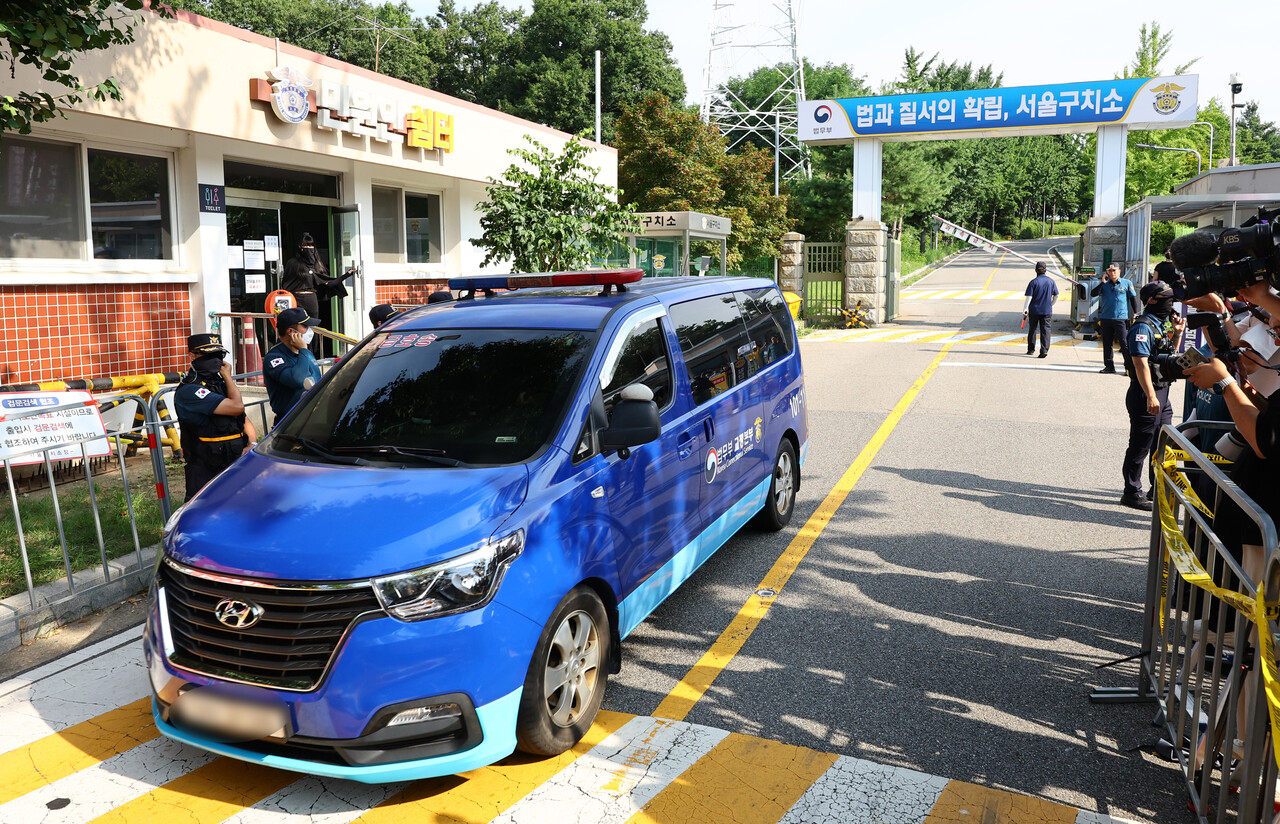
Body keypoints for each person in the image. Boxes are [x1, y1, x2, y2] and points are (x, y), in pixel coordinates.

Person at [1120, 281, 1185, 510]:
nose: (1171, 304)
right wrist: (1150, 396)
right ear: (1151, 301)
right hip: (1145, 392)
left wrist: (1177, 334)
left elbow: (1169, 356)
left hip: (1161, 392)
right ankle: (1131, 492)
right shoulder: (1142, 327)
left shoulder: (1160, 324)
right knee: (1140, 445)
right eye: (1166, 299)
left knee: (1162, 444)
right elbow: (1141, 364)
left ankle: (1155, 487)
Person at [173, 334, 257, 501]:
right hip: (205, 468)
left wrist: (252, 443)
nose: (216, 360)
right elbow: (236, 407)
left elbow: (242, 417)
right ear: (192, 356)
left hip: (234, 461)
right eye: (209, 356)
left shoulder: (220, 385)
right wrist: (228, 377)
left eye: (219, 356)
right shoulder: (190, 390)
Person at [280, 232, 355, 355]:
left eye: (311, 246)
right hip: (297, 300)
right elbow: (287, 283)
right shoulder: (293, 263)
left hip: (312, 300)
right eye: (306, 245)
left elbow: (328, 282)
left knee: (312, 329)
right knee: (298, 327)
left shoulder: (315, 264)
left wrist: (347, 275)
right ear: (300, 246)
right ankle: (297, 352)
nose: (309, 248)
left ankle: (312, 354)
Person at [263, 306, 323, 423]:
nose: (310, 331)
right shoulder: (274, 358)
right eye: (305, 327)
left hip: (314, 419)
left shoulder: (306, 353)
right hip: (290, 422)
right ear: (291, 332)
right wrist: (303, 350)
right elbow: (297, 380)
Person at [1090, 264, 1140, 374]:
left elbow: (1132, 299)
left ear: (1119, 271)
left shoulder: (1126, 283)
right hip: (1106, 318)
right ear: (1107, 273)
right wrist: (1102, 283)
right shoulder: (1105, 285)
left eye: (1114, 270)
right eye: (1110, 271)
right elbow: (1093, 294)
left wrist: (1135, 313)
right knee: (1107, 343)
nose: (1112, 273)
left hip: (1121, 318)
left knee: (1124, 343)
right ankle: (1109, 366)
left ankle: (1129, 368)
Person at [1022, 261, 1058, 358]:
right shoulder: (1051, 281)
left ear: (1035, 270)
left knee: (1033, 329)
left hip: (1034, 310)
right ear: (1045, 270)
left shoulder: (1033, 282)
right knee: (1046, 330)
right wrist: (1051, 304)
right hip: (1047, 310)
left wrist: (1025, 309)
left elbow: (1029, 297)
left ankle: (1031, 349)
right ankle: (1044, 350)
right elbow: (1056, 295)